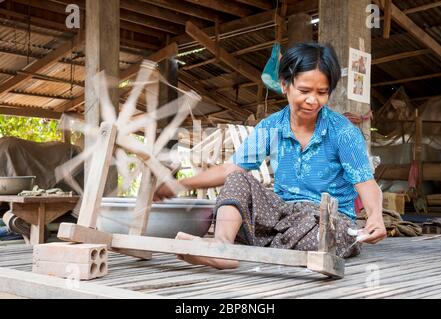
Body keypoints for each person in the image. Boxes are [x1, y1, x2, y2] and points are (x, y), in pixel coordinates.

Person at [154, 43, 386, 269]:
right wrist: (178, 184)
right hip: (283, 213)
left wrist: (375, 217)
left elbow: (366, 183)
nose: (312, 100)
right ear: (285, 85)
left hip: (329, 219)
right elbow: (228, 170)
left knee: (319, 240)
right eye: (304, 91)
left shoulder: (344, 132)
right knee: (237, 179)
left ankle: (259, 246)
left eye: (322, 93)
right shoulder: (270, 127)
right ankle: (221, 247)